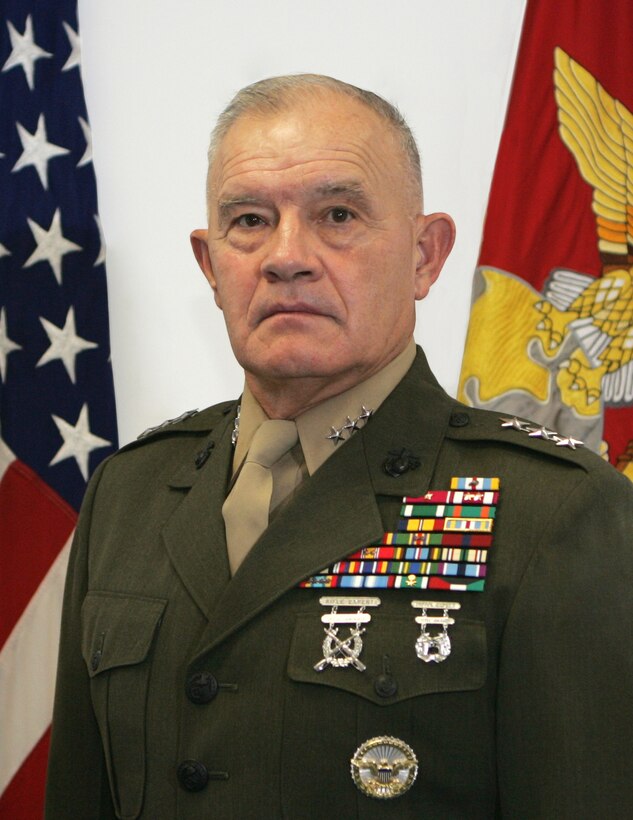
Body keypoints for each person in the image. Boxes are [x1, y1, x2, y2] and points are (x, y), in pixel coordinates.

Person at [45, 75, 633, 819]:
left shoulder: (556, 511)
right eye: (249, 220)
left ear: (425, 255)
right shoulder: (128, 492)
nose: (285, 256)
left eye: (338, 215)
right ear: (210, 265)